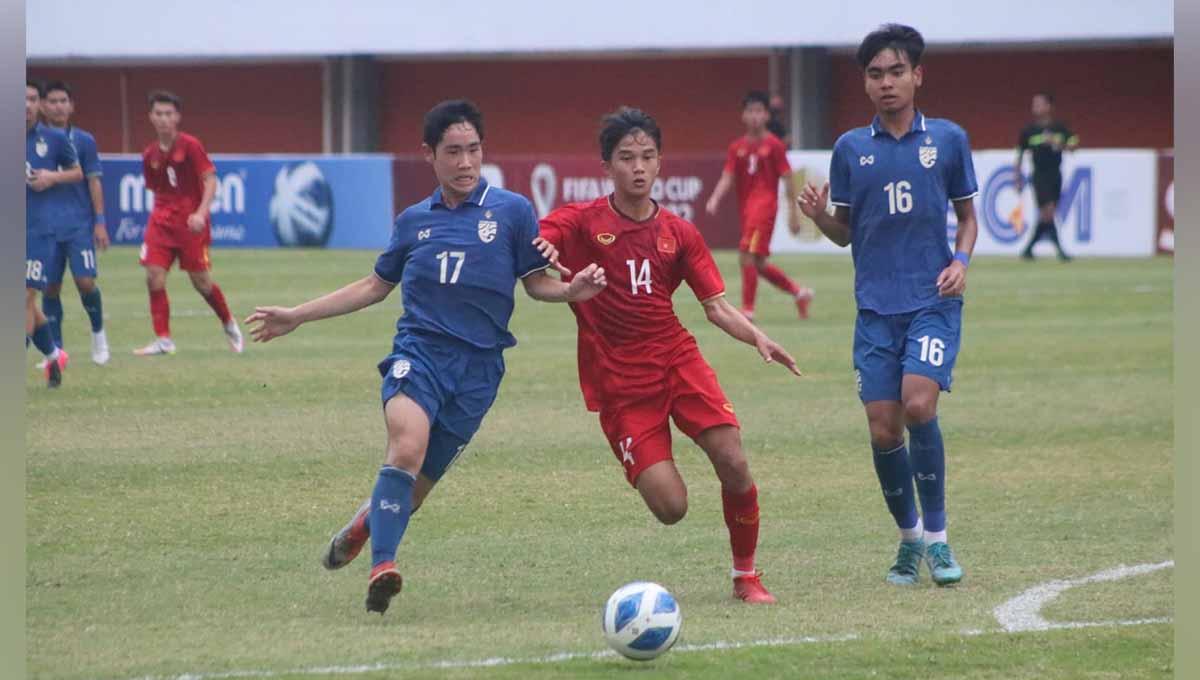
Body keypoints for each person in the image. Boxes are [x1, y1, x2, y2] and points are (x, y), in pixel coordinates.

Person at [245, 99, 606, 615]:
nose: (465, 163)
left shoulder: (511, 211)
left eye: (473, 150)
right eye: (453, 152)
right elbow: (374, 286)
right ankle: (382, 567)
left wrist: (574, 289)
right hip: (419, 355)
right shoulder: (413, 222)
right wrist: (298, 314)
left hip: (480, 372)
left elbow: (536, 284)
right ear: (430, 156)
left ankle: (364, 525)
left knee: (410, 494)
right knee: (406, 447)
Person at [541, 107, 802, 604]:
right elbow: (532, 249)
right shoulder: (579, 223)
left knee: (733, 459)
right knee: (671, 507)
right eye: (625, 158)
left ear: (660, 162)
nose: (638, 167)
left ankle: (745, 576)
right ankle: (649, 453)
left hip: (678, 361)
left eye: (647, 156)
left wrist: (758, 338)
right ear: (607, 166)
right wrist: (546, 259)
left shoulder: (679, 233)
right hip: (621, 383)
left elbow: (716, 307)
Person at [798, 24, 978, 587]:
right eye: (875, 74)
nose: (886, 82)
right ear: (865, 83)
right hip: (874, 309)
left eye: (896, 71)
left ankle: (941, 542)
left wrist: (961, 262)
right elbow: (845, 233)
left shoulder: (947, 140)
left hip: (932, 300)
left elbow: (969, 218)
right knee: (883, 430)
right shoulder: (851, 149)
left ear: (917, 75)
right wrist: (819, 216)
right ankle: (909, 542)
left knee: (919, 405)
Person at [133, 90, 243, 356]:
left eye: (168, 114)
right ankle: (163, 339)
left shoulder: (191, 145)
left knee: (202, 283)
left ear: (177, 117)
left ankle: (229, 323)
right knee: (153, 277)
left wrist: (201, 212)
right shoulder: (149, 154)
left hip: (191, 225)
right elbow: (157, 189)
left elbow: (210, 179)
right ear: (151, 117)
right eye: (158, 114)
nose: (163, 119)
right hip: (161, 223)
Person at [706, 91, 813, 322]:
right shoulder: (737, 147)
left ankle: (748, 310)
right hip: (746, 209)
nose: (754, 116)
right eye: (750, 111)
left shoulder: (774, 146)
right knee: (759, 263)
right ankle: (800, 293)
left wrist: (794, 214)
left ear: (766, 115)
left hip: (764, 208)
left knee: (745, 254)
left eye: (759, 111)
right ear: (743, 116)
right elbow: (728, 176)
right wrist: (715, 197)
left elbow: (787, 179)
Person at [40, 80, 110, 365]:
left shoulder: (84, 140)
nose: (58, 106)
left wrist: (100, 222)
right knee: (50, 287)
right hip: (44, 226)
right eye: (53, 101)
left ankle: (98, 335)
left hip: (78, 224)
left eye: (63, 101)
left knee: (84, 282)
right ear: (43, 106)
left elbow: (93, 181)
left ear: (71, 106)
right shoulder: (32, 141)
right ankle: (55, 351)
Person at [26, 78, 81, 387]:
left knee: (22, 297)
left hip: (39, 231)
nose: (26, 104)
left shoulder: (54, 139)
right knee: (28, 305)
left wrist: (51, 177)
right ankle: (53, 356)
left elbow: (77, 173)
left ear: (41, 105)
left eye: (33, 99)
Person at [1015, 92, 1078, 261]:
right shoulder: (1029, 130)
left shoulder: (1060, 128)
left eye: (1039, 104)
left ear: (1049, 107)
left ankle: (1028, 250)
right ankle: (1060, 251)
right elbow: (1020, 154)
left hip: (1055, 174)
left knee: (1047, 214)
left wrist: (1058, 143)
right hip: (1039, 175)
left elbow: (1073, 145)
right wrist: (1017, 177)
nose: (1035, 107)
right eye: (1034, 104)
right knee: (1048, 212)